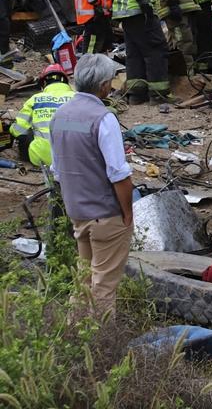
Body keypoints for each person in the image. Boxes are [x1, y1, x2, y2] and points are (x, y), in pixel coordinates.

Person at [49, 54, 132, 310]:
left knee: (83, 283)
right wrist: (127, 214)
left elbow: (58, 172)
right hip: (106, 214)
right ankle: (103, 346)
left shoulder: (59, 116)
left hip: (79, 213)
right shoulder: (103, 118)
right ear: (104, 85)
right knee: (104, 286)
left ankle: (75, 339)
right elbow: (118, 174)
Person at [10, 64, 74, 169]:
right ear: (65, 81)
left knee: (26, 131)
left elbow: (19, 129)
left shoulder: (35, 99)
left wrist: (12, 128)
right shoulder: (78, 98)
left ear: (44, 83)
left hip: (41, 159)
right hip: (76, 159)